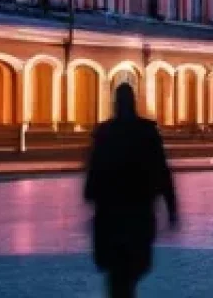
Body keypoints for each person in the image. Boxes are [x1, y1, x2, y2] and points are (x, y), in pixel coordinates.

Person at [84, 83, 177, 298]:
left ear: (115, 103)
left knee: (117, 276)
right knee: (130, 271)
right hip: (139, 212)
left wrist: (92, 193)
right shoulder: (146, 131)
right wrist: (171, 208)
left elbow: (93, 172)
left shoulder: (105, 132)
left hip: (110, 215)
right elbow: (162, 171)